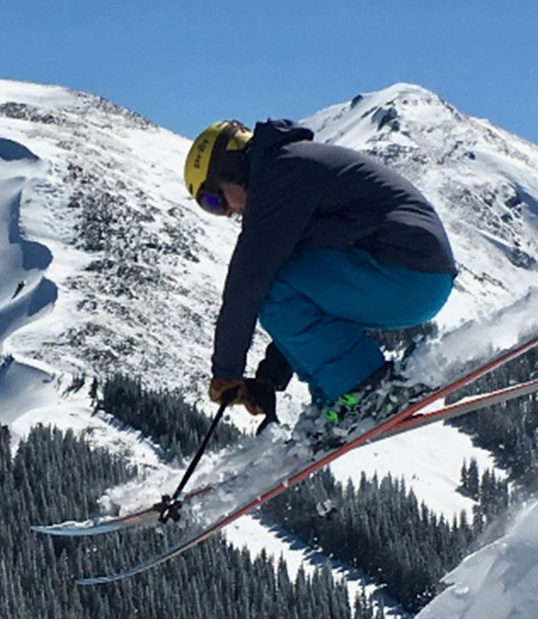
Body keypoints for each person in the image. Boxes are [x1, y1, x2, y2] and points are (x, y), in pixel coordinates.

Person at [184, 118, 457, 442]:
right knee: (284, 282)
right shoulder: (288, 171)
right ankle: (340, 400)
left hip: (406, 272)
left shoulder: (281, 173)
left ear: (228, 168)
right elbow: (307, 302)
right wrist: (270, 378)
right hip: (412, 278)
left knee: (270, 285)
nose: (227, 213)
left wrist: (225, 373)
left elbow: (248, 284)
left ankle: (365, 389)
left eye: (214, 201)